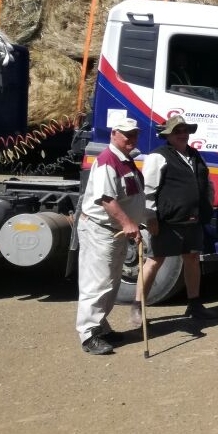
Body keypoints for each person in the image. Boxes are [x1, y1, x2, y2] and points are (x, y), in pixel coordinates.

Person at [132, 115, 218, 328]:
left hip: (193, 219)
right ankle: (137, 307)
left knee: (192, 259)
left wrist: (207, 207)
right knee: (154, 261)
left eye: (185, 130)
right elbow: (149, 191)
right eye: (177, 131)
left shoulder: (195, 155)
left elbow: (206, 184)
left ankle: (194, 304)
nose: (182, 134)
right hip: (168, 220)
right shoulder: (158, 157)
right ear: (168, 135)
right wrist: (150, 218)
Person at [76, 118, 149, 354]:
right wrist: (128, 223)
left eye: (135, 134)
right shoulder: (108, 161)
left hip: (114, 232)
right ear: (114, 134)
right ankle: (88, 334)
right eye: (126, 134)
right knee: (97, 284)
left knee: (110, 283)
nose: (131, 139)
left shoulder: (126, 161)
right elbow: (106, 199)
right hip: (101, 230)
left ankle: (101, 327)